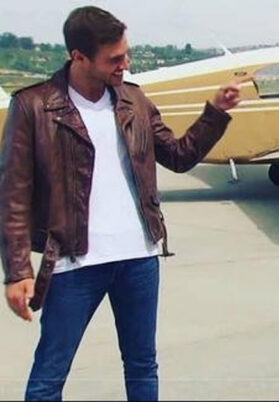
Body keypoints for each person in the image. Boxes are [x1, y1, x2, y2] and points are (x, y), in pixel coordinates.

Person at [0, 6, 241, 400]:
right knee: (49, 377)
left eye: (126, 54)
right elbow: (13, 194)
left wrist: (215, 113)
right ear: (79, 57)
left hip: (139, 258)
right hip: (74, 262)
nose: (125, 64)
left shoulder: (134, 100)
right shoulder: (34, 106)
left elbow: (179, 156)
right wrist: (17, 270)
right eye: (114, 59)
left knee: (143, 365)